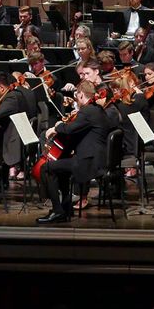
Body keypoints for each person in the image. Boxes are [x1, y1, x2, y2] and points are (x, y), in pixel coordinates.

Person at [37, 81, 109, 224]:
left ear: (81, 94)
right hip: (96, 159)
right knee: (60, 169)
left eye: (77, 96)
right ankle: (65, 207)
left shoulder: (87, 111)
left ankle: (58, 211)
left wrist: (56, 127)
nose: (76, 99)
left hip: (88, 162)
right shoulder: (98, 110)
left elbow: (70, 129)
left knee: (46, 168)